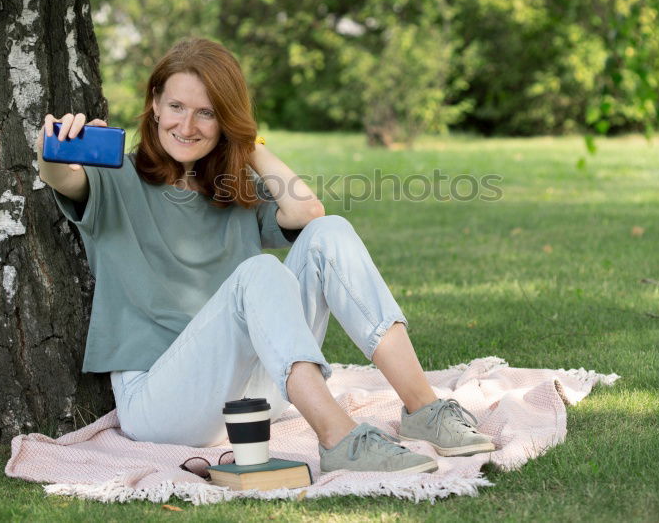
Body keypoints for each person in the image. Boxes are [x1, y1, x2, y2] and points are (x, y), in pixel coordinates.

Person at [35, 37, 494, 474]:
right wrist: (52, 151)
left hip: (255, 395)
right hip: (162, 404)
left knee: (329, 231)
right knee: (259, 272)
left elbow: (308, 211)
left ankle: (423, 409)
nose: (187, 126)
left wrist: (247, 145)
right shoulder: (114, 177)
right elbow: (61, 176)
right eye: (175, 106)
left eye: (207, 114)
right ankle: (339, 439)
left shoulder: (233, 190)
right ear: (154, 103)